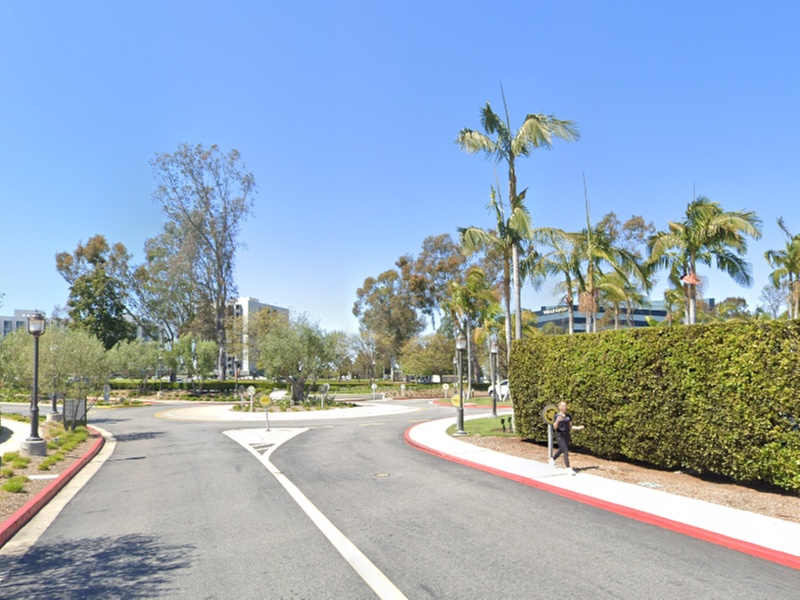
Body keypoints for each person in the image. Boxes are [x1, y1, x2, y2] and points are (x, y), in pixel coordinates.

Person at [549, 401, 584, 473]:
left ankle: (552, 459)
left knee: (561, 449)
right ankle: (568, 468)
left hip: (567, 435)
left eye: (565, 406)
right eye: (563, 406)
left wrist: (578, 428)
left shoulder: (568, 416)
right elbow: (555, 427)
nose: (565, 407)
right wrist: (557, 421)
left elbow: (570, 426)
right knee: (565, 450)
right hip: (560, 435)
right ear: (560, 407)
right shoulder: (556, 416)